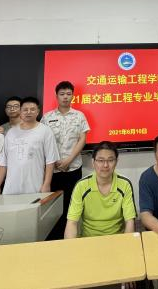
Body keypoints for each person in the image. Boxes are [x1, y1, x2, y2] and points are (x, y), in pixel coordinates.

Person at [41, 81, 90, 239]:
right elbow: (42, 141)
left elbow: (82, 139)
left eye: (68, 94)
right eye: (62, 94)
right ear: (56, 96)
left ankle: (70, 237)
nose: (65, 97)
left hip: (73, 167)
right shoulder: (47, 117)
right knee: (53, 206)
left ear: (72, 96)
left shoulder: (79, 116)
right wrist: (54, 160)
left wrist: (69, 160)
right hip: (52, 170)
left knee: (72, 204)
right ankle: (54, 238)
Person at [64, 141, 136, 238]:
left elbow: (130, 221)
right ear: (93, 162)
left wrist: (126, 243)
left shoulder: (124, 185)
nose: (105, 165)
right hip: (89, 239)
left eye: (110, 160)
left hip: (117, 239)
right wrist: (70, 245)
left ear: (116, 162)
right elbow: (72, 222)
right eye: (101, 160)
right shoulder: (81, 186)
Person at [0, 97, 59, 195]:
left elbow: (50, 161)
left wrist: (46, 184)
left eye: (32, 109)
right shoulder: (11, 133)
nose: (29, 112)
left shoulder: (45, 131)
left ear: (38, 111)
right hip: (11, 188)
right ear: (20, 111)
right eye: (25, 109)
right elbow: (3, 162)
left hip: (35, 186)